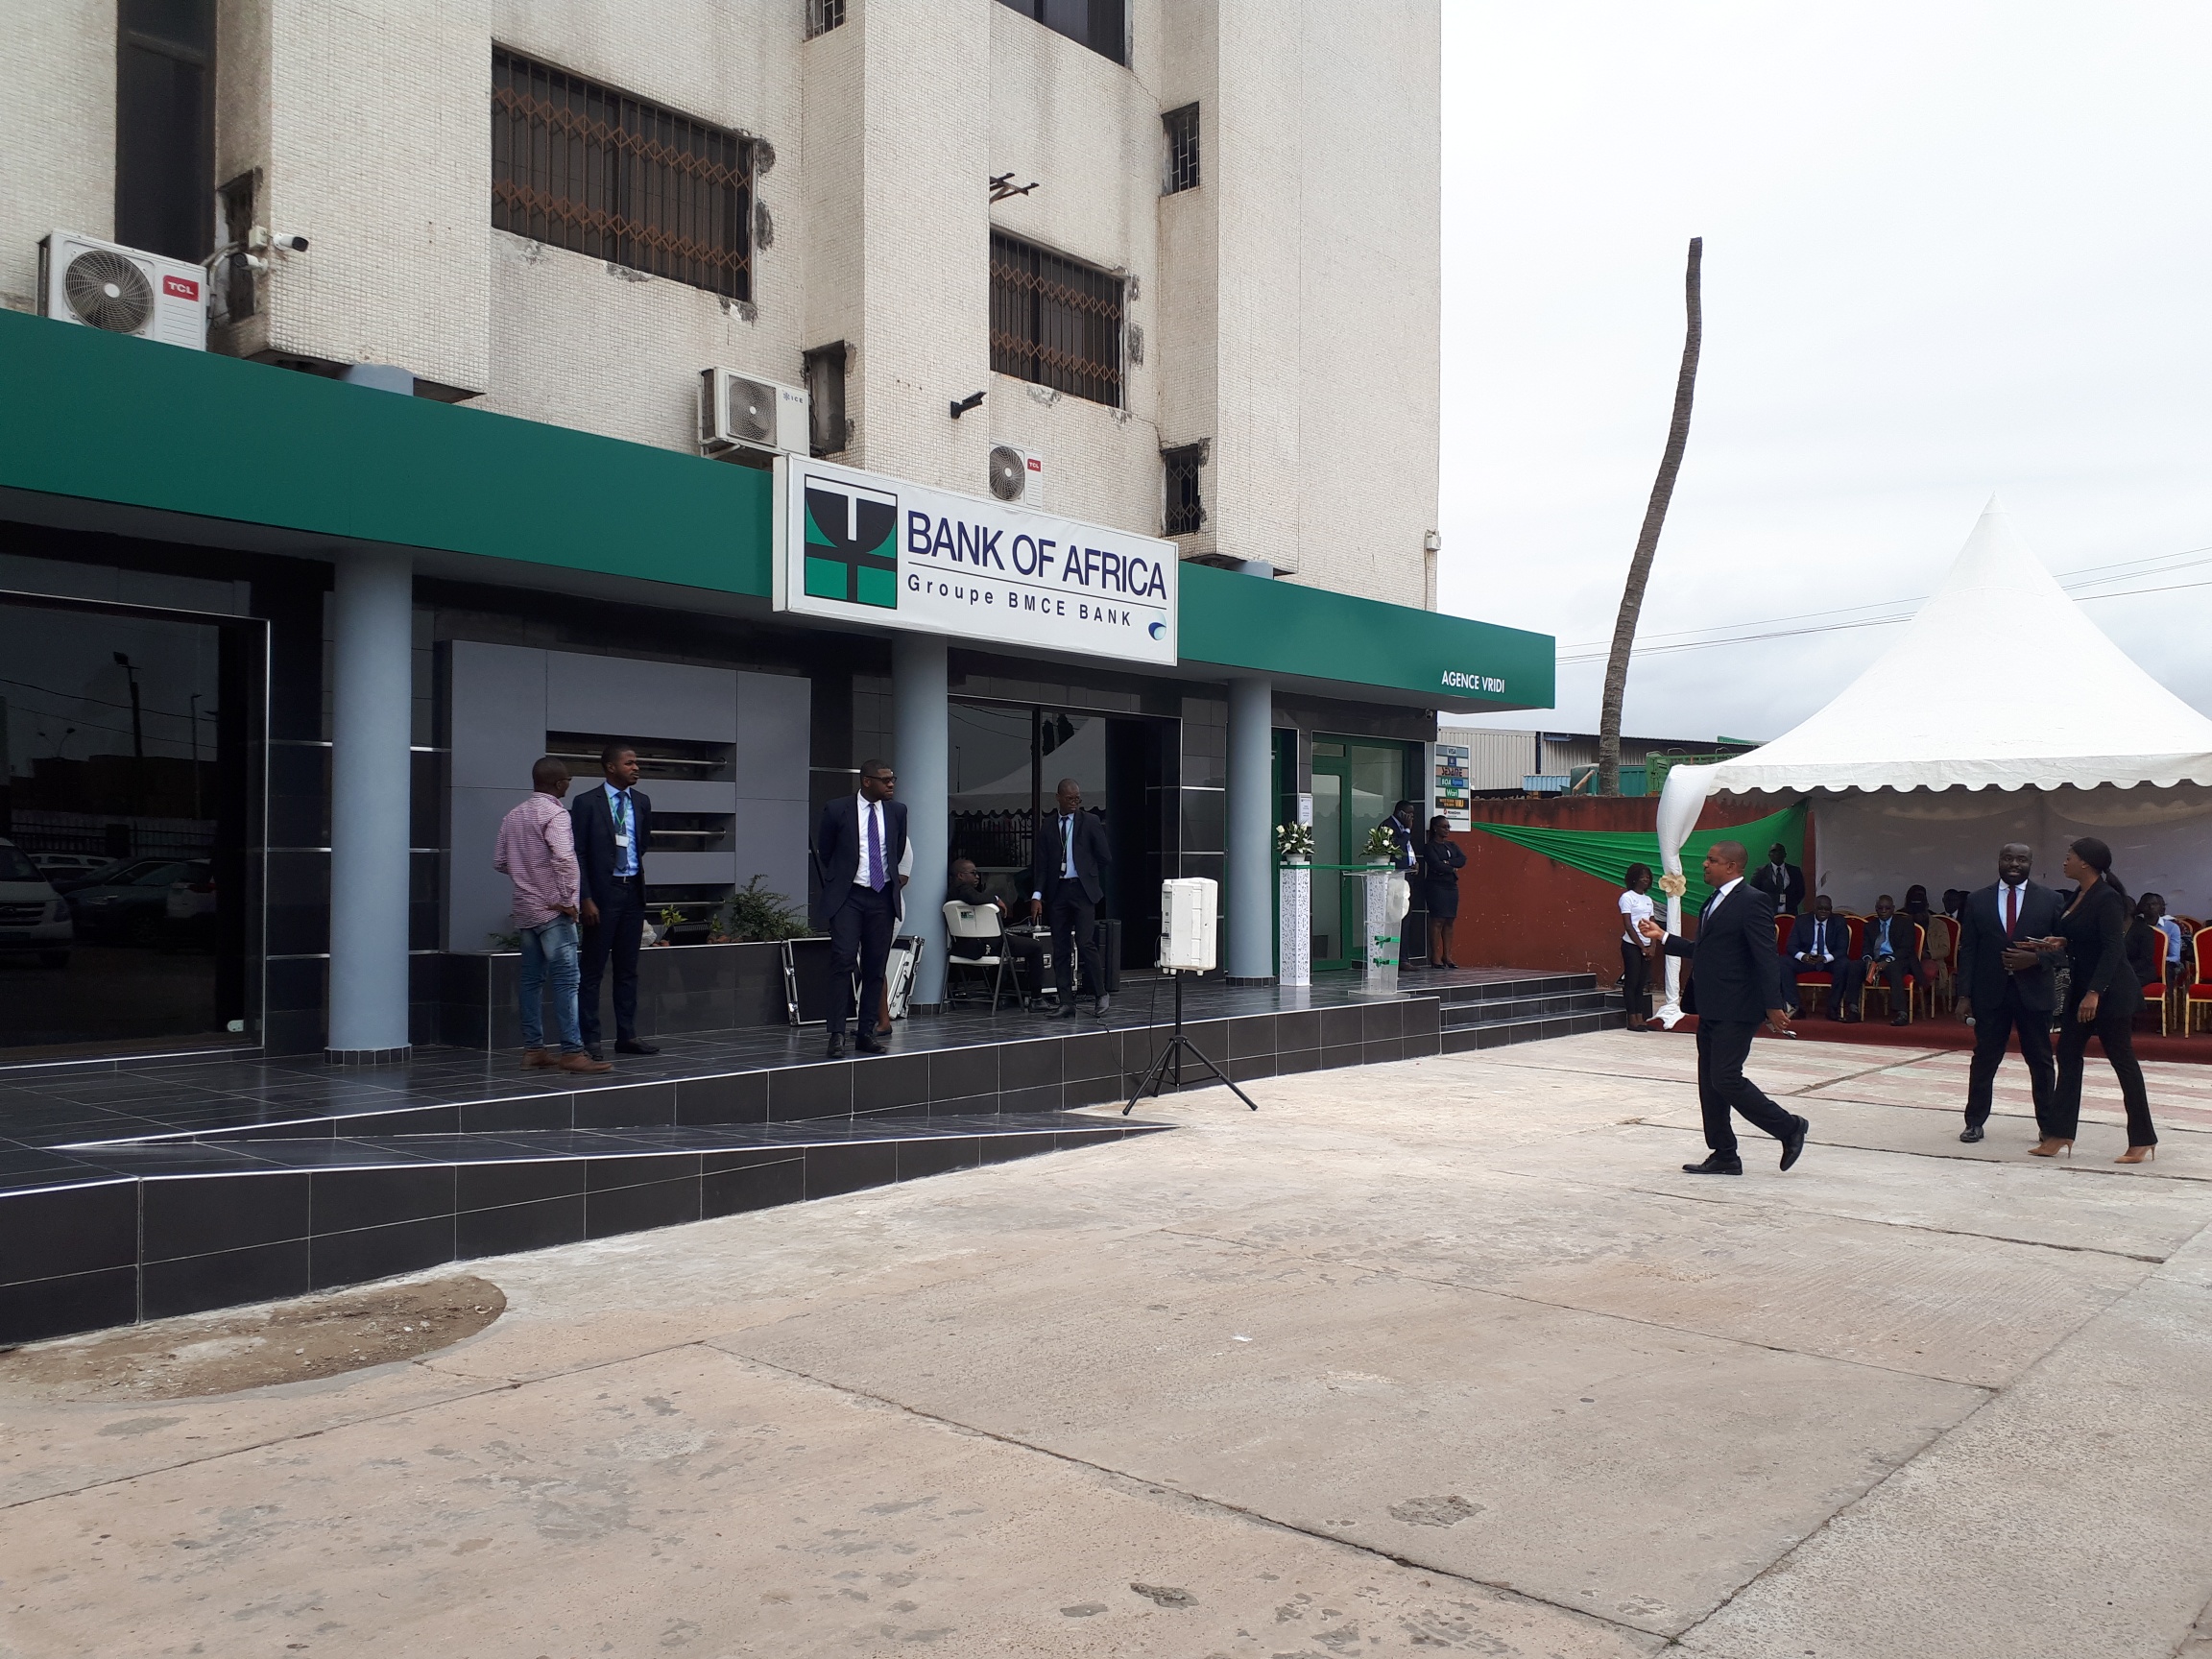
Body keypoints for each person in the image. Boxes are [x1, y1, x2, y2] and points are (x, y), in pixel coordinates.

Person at [1637, 839, 1810, 1176]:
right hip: (1711, 1005)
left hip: (1739, 1007)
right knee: (1709, 1081)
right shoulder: (1712, 901)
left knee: (1726, 1078)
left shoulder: (1753, 901)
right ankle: (1724, 1154)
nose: (1705, 864)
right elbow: (1705, 950)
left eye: (1712, 860)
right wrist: (1663, 937)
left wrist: (1773, 1005)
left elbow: (1765, 956)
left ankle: (1789, 1127)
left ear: (1731, 866)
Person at [2024, 836, 2155, 1163]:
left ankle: (2142, 1139)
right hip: (2082, 989)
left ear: (2085, 862)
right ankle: (2059, 1133)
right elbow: (2087, 937)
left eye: (2069, 856)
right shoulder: (2079, 894)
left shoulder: (2107, 898)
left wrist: (2095, 992)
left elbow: (2113, 949)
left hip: (2109, 992)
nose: (2064, 861)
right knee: (2068, 1055)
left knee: (2122, 1061)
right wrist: (2062, 941)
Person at [493, 757, 609, 1075]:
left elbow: (500, 861)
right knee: (567, 980)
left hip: (525, 909)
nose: (569, 784)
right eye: (568, 779)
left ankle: (534, 1050)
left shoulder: (513, 815)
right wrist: (568, 901)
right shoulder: (555, 814)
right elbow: (565, 859)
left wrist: (527, 877)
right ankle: (572, 1051)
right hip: (554, 911)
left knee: (531, 980)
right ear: (559, 784)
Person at [1956, 842, 2062, 1143]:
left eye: (2021, 859)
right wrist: (1964, 995)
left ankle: (2048, 1125)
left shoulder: (2051, 900)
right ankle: (1974, 1122)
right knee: (1985, 1059)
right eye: (2008, 858)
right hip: (1991, 994)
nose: (2014, 864)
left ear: (2031, 863)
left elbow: (2065, 950)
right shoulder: (1977, 900)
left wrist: (2036, 959)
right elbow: (1969, 950)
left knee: (2041, 1061)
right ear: (1999, 861)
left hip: (2034, 993)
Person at [813, 757, 908, 1058]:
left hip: (882, 896)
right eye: (885, 780)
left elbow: (896, 850)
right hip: (849, 896)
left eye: (893, 779)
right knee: (843, 960)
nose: (891, 784)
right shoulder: (837, 809)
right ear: (867, 781)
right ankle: (837, 1033)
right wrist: (842, 878)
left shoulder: (897, 811)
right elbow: (826, 851)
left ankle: (866, 1033)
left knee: (875, 966)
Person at [571, 743, 659, 1062]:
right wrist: (585, 897)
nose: (636, 768)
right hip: (601, 896)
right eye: (629, 763)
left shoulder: (642, 801)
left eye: (637, 763)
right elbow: (578, 853)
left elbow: (642, 843)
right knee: (592, 970)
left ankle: (627, 1035)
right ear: (610, 767)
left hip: (632, 892)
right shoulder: (586, 802)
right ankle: (590, 1039)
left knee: (627, 969)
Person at [1029, 777, 1113, 1018]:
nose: (1075, 802)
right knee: (1060, 947)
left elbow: (1105, 856)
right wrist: (1037, 895)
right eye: (1070, 798)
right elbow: (1042, 865)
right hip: (1058, 892)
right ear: (1058, 798)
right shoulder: (1048, 825)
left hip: (1082, 890)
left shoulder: (1090, 821)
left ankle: (1100, 994)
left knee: (1085, 943)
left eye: (1077, 798)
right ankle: (1066, 1001)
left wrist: (1088, 872)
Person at [948, 855, 1044, 1001]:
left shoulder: (951, 895)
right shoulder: (965, 891)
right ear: (960, 876)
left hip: (962, 948)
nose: (977, 877)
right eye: (973, 873)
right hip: (985, 946)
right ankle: (1036, 999)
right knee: (1035, 947)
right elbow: (974, 898)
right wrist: (996, 899)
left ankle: (1000, 994)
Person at [1781, 895, 1861, 1021]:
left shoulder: (1839, 921)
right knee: (1783, 962)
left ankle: (1832, 1008)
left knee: (1844, 964)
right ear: (1814, 908)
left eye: (1827, 909)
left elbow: (1842, 949)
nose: (1823, 911)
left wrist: (1824, 958)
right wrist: (1803, 956)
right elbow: (1791, 946)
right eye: (1820, 908)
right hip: (1807, 960)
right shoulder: (1802, 920)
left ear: (1831, 909)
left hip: (1829, 960)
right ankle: (1795, 1006)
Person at [1858, 895, 1919, 1026]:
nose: (1884, 911)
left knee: (1893, 969)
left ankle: (1902, 1012)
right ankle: (1853, 1008)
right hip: (1875, 958)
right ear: (1876, 909)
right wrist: (1868, 959)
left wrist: (1888, 961)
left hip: (1898, 958)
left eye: (1887, 908)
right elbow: (1866, 947)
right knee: (1854, 966)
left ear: (1893, 909)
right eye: (1880, 908)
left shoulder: (1905, 923)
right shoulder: (1870, 926)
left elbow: (1907, 948)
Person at [1420, 816, 1467, 970]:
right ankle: (1435, 956)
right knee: (1437, 920)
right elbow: (1435, 864)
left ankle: (1447, 955)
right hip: (1436, 886)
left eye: (1448, 827)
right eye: (1444, 827)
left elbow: (1462, 859)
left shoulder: (1451, 845)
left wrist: (1447, 863)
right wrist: (1450, 866)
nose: (1447, 829)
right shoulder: (1430, 847)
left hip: (1451, 886)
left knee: (1449, 920)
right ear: (1435, 828)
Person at [1617, 863, 1656, 1029]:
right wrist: (1641, 946)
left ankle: (1640, 1017)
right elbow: (1628, 924)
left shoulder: (1648, 900)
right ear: (1634, 878)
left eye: (1648, 876)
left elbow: (1652, 924)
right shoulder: (1627, 897)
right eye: (1642, 876)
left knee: (1641, 983)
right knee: (1631, 983)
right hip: (1632, 945)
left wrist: (1653, 946)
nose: (1645, 879)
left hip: (1646, 946)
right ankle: (1632, 1019)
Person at [1902, 885, 1946, 991]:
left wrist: (1928, 954)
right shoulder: (1902, 922)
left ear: (1927, 906)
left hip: (1928, 959)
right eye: (1914, 909)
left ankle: (1920, 995)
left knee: (1928, 970)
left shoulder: (1939, 925)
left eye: (1920, 909)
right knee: (1893, 969)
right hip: (1905, 958)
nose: (1918, 913)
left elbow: (1945, 949)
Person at [1747, 841, 1805, 916]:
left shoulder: (1795, 871)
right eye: (1773, 851)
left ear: (1785, 855)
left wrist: (1792, 904)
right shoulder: (1760, 872)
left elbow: (1801, 891)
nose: (1777, 854)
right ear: (1769, 855)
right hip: (1767, 914)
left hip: (1790, 913)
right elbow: (1754, 892)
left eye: (1780, 851)